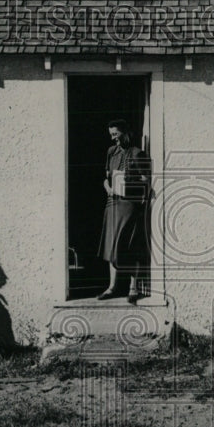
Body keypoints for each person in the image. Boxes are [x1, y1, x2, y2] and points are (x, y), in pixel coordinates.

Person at [96, 119, 150, 304]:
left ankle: (133, 288)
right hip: (112, 202)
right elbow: (105, 178)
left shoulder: (137, 153)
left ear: (126, 133)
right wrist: (108, 188)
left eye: (116, 135)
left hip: (129, 205)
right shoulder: (111, 152)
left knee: (129, 245)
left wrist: (130, 184)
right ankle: (112, 287)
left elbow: (146, 180)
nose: (114, 139)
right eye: (111, 135)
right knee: (112, 246)